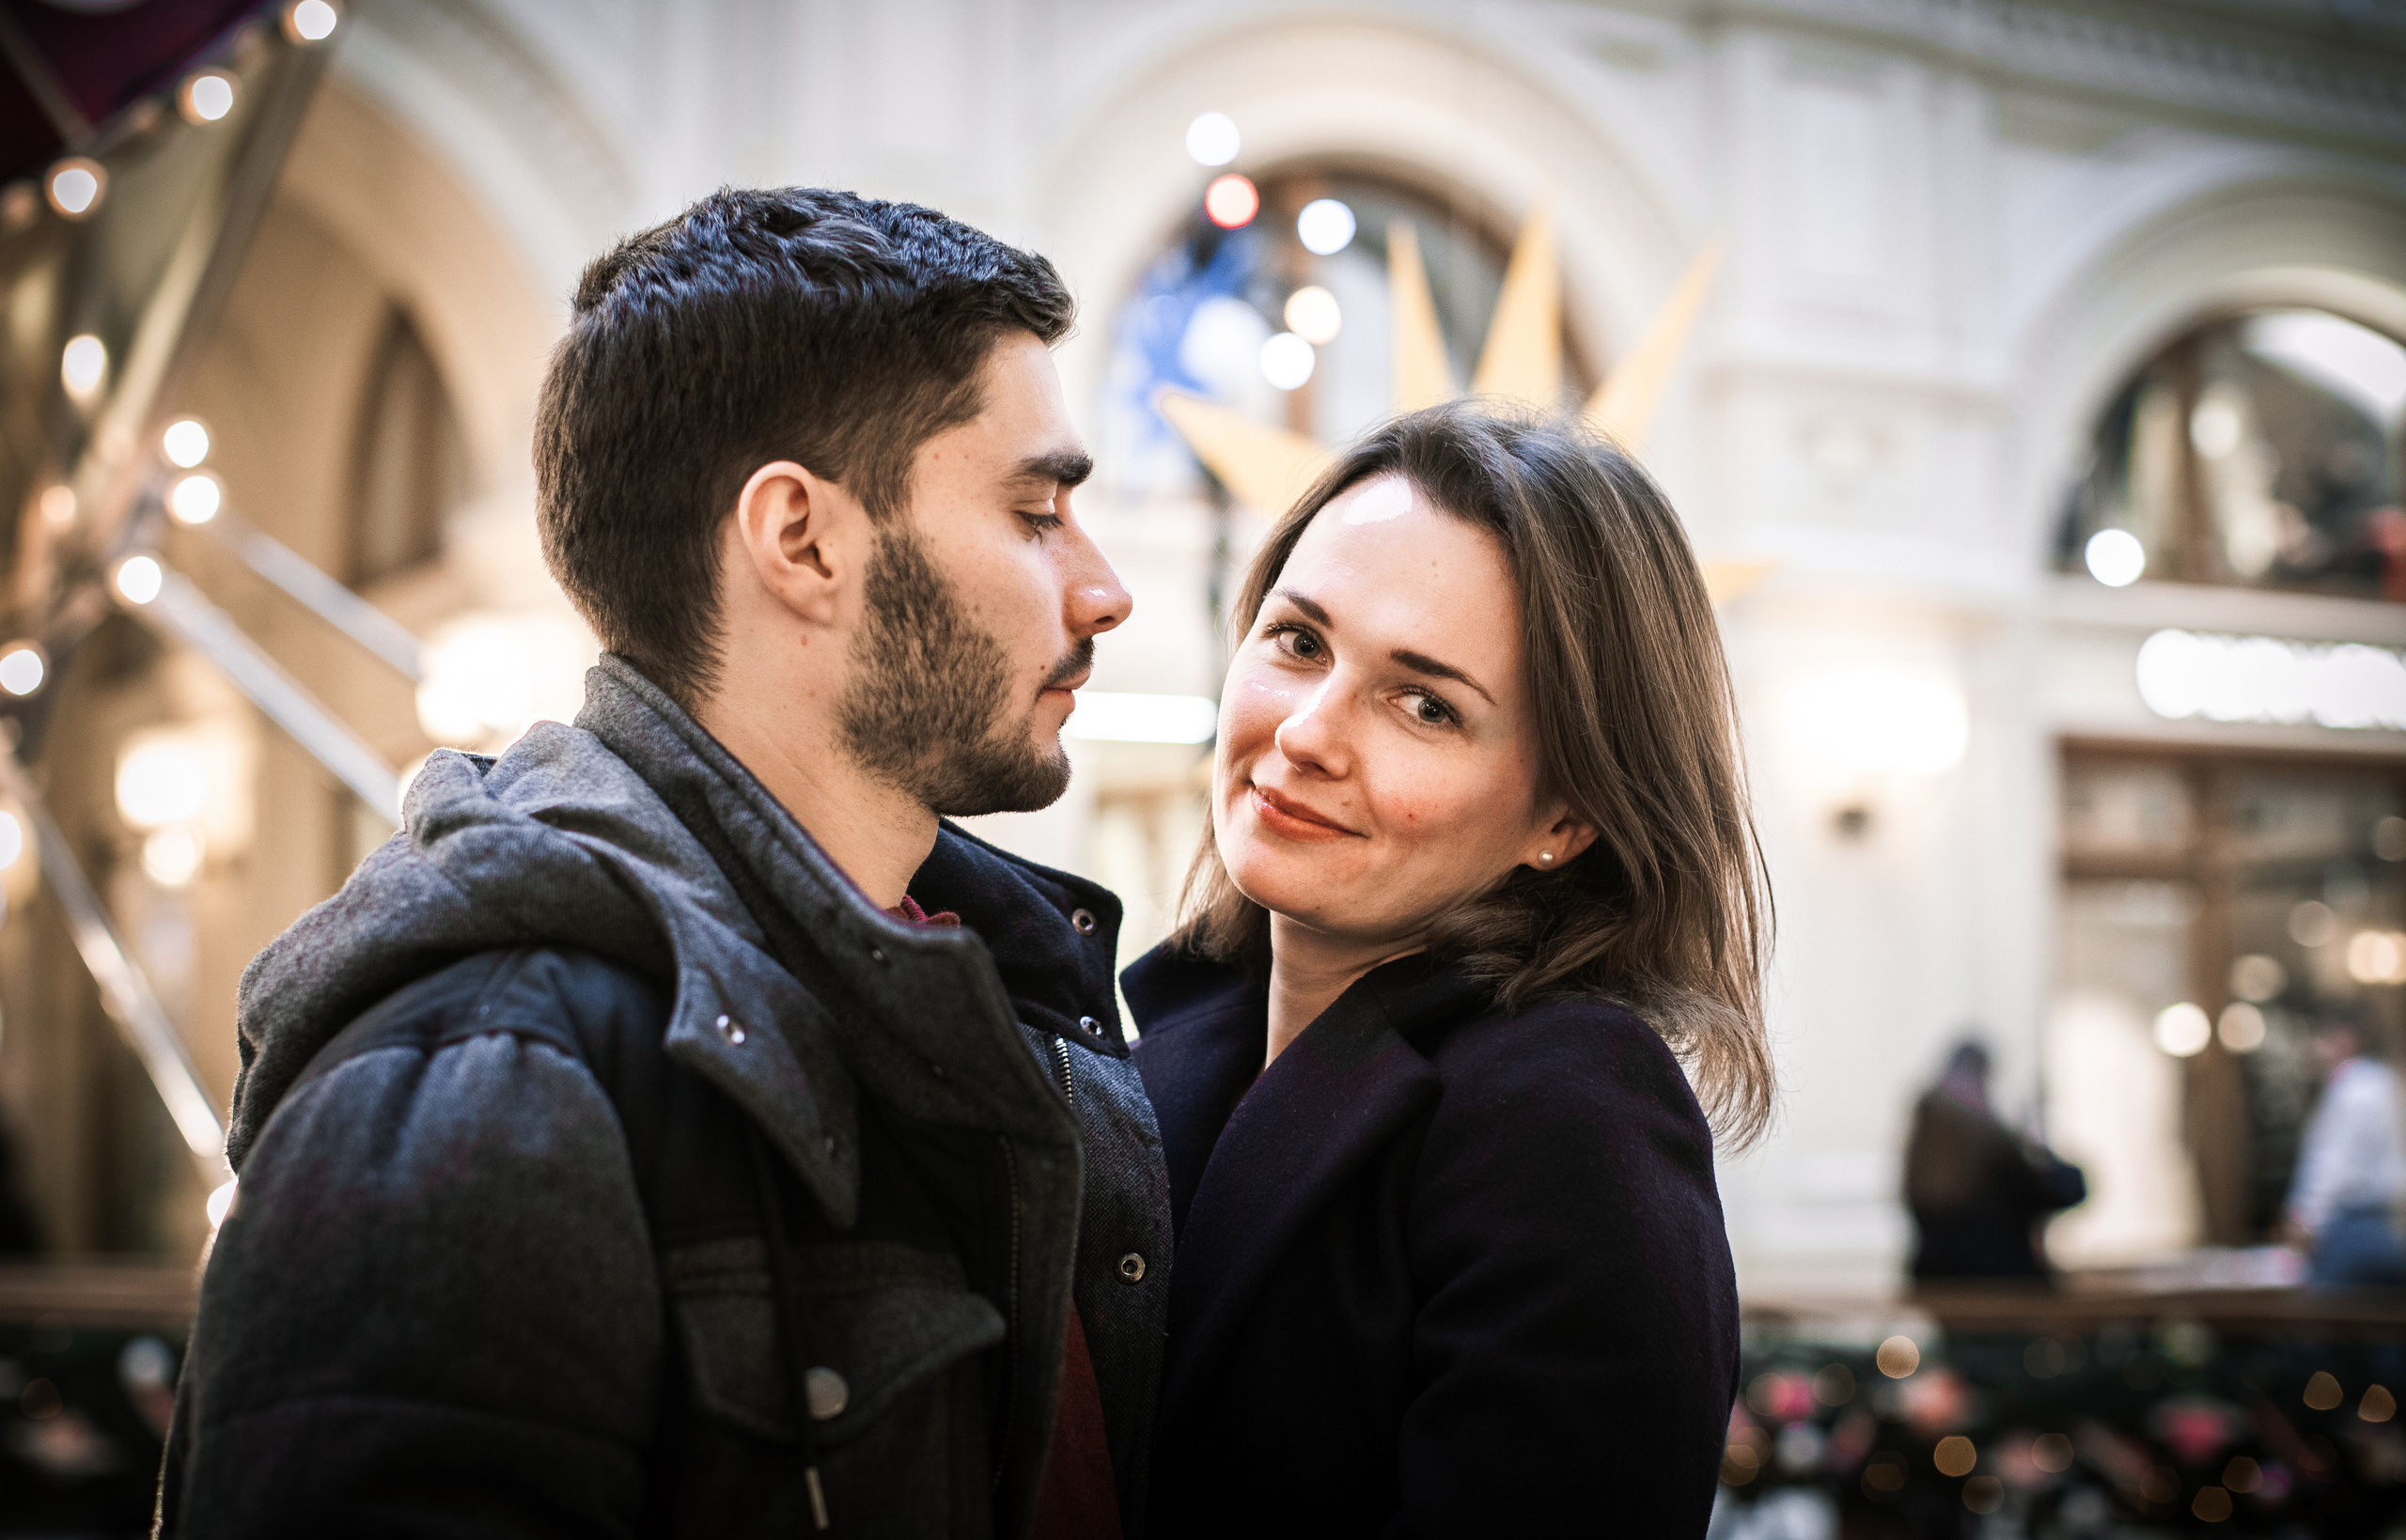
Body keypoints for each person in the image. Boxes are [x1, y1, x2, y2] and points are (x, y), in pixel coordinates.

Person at [159, 189, 1170, 1538]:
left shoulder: (1008, 1000)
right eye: (1038, 510)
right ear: (802, 539)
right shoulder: (490, 1078)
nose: (1105, 590)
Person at [1123, 405, 1773, 1537]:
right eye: (1298, 642)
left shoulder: (1568, 1112)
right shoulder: (1171, 1037)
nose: (1308, 734)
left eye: (1423, 704)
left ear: (1566, 817)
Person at [1901, 1040, 2086, 1283]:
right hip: (2003, 1281)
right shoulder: (1989, 1144)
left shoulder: (1924, 1148)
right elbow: (2062, 1192)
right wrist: (2039, 1150)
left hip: (1936, 1281)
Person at [2284, 1008, 2406, 1288]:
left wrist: (2304, 1221)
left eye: (2322, 1039)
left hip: (2352, 1228)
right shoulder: (2384, 1080)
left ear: (2344, 1039)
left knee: (2318, 1323)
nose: (2317, 1049)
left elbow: (2330, 1166)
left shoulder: (2350, 1086)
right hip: (2390, 1224)